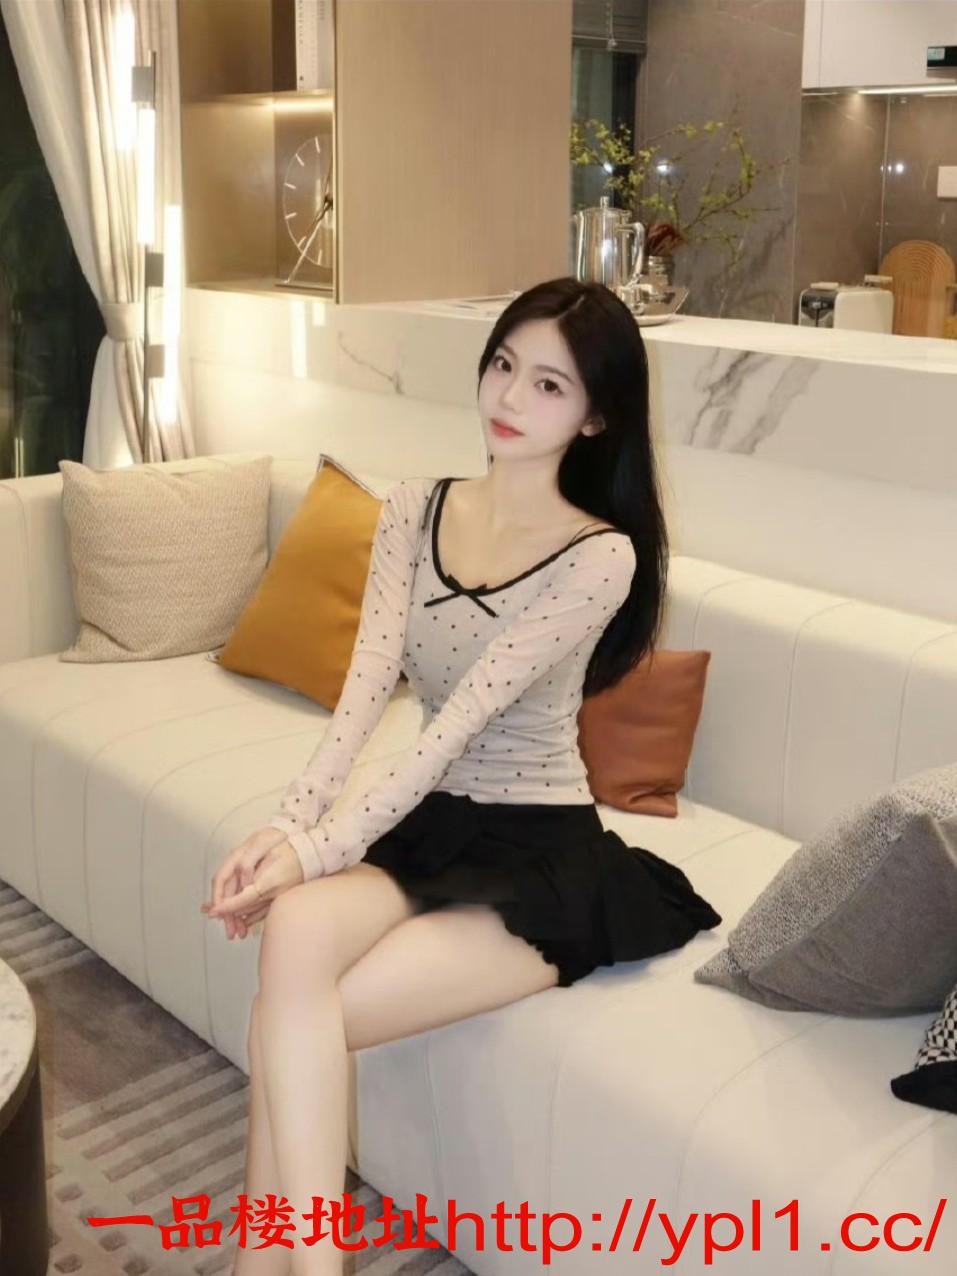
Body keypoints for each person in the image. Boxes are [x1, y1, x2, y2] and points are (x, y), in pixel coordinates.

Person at [200, 277, 721, 1275]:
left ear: (596, 416)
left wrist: (317, 850)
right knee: (296, 938)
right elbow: (365, 692)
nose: (511, 397)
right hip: (434, 822)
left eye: (549, 385)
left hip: (538, 852)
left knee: (286, 1022)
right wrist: (289, 825)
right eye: (504, 365)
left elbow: (456, 725)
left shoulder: (598, 559)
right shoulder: (412, 508)